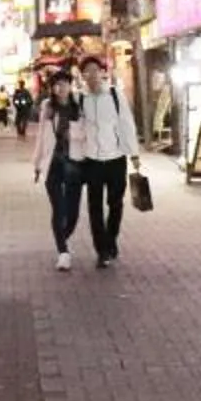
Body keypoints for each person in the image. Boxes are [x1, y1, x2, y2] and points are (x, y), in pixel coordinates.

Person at [69, 57, 140, 269]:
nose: (91, 75)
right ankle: (102, 250)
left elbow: (127, 124)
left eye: (95, 70)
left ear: (103, 72)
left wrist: (134, 153)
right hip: (91, 161)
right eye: (87, 72)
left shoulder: (116, 96)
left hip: (116, 159)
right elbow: (75, 128)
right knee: (94, 207)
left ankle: (111, 239)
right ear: (82, 76)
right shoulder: (80, 100)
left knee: (115, 204)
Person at [30, 71, 85, 270]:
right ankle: (63, 251)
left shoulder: (78, 106)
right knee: (58, 208)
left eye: (64, 84)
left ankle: (63, 238)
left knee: (73, 213)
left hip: (74, 163)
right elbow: (42, 137)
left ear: (70, 86)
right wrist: (37, 164)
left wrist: (75, 135)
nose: (60, 88)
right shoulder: (48, 106)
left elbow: (87, 132)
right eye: (57, 85)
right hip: (53, 163)